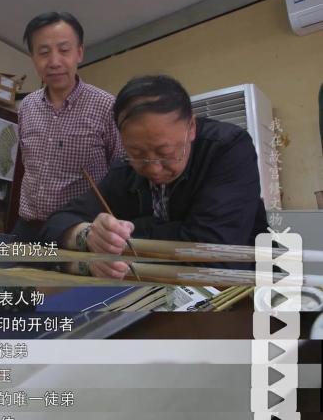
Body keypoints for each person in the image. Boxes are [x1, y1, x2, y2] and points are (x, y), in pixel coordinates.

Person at [42, 74, 269, 278]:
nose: (153, 169)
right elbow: (55, 225)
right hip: (159, 287)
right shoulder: (125, 168)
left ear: (191, 127)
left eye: (165, 153)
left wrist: (127, 235)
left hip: (246, 286)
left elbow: (212, 250)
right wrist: (88, 235)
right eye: (137, 153)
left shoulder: (227, 148)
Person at [14, 12, 123, 242]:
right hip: (27, 228)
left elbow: (120, 172)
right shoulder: (26, 106)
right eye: (44, 52)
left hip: (77, 231)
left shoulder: (106, 106)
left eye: (64, 50)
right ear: (33, 58)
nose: (54, 62)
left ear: (79, 53)